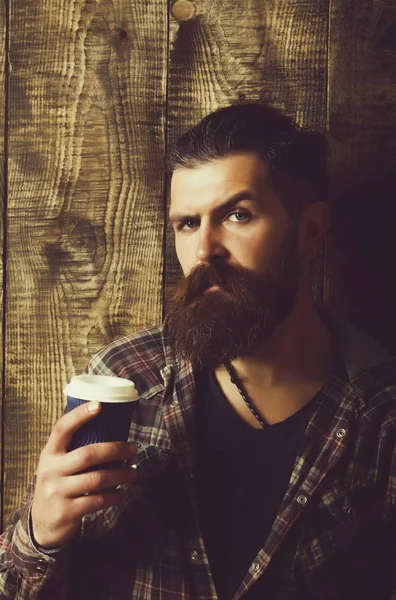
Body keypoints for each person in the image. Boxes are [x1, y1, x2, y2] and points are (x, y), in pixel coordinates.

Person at [0, 102, 395, 600]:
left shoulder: (380, 417)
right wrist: (40, 533)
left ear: (310, 231)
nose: (205, 249)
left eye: (237, 215)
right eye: (187, 223)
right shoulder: (128, 378)